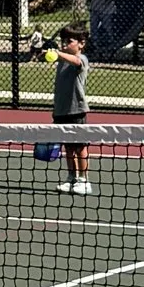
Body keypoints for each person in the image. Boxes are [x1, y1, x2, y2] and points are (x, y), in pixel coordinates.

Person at [50, 20, 93, 191]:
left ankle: (84, 181)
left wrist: (58, 53)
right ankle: (71, 177)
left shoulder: (81, 59)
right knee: (68, 147)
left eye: (70, 41)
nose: (65, 44)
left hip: (76, 111)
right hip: (61, 111)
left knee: (80, 147)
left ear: (81, 44)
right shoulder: (62, 61)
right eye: (63, 41)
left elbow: (75, 61)